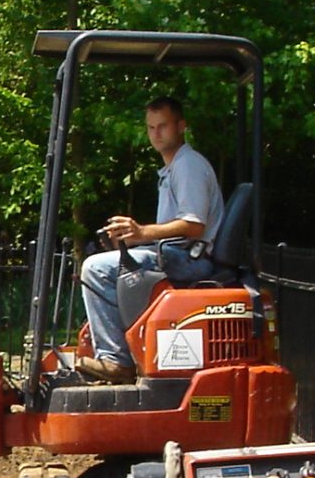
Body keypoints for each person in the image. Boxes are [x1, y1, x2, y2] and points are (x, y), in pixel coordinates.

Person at [75, 96, 221, 383]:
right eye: (151, 127)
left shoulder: (188, 166)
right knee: (110, 262)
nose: (156, 133)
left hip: (192, 259)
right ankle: (124, 351)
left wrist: (141, 233)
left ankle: (116, 360)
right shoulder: (173, 168)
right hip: (179, 253)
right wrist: (130, 241)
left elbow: (193, 225)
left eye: (163, 126)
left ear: (181, 126)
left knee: (96, 269)